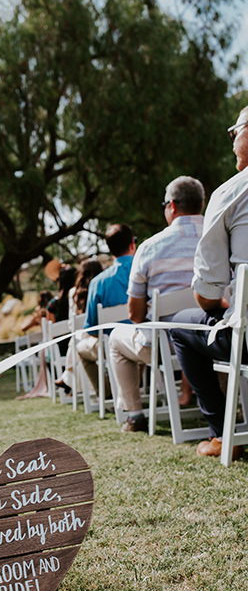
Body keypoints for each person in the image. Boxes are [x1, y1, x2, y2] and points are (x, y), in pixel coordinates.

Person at [170, 106, 248, 458]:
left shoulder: (231, 193)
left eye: (235, 133)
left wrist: (226, 305)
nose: (231, 143)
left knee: (181, 327)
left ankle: (221, 432)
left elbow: (205, 295)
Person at [109, 176, 205, 432]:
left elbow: (136, 314)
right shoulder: (220, 235)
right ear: (202, 204)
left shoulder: (150, 247)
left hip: (165, 347)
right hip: (214, 340)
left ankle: (136, 414)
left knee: (117, 338)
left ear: (172, 206)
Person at [76, 223, 136, 394]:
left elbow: (92, 328)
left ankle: (107, 396)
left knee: (81, 350)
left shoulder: (98, 283)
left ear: (110, 249)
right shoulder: (148, 270)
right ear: (132, 244)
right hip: (148, 340)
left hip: (112, 345)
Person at [54, 259, 102, 394]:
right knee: (77, 340)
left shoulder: (74, 293)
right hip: (104, 335)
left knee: (76, 341)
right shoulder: (102, 285)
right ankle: (68, 378)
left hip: (87, 338)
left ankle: (68, 378)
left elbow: (72, 323)